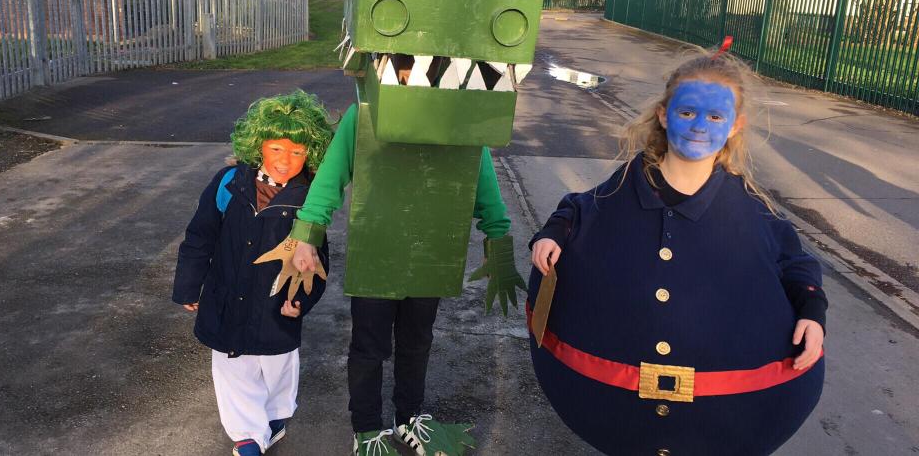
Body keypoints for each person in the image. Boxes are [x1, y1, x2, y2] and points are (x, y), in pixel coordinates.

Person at [527, 51, 827, 455]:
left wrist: (812, 312)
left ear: (736, 125)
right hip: (623, 420)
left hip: (713, 429)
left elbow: (795, 261)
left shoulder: (748, 208)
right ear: (664, 115)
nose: (700, 127)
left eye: (716, 117)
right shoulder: (623, 188)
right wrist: (553, 235)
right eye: (688, 113)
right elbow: (578, 208)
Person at [287, 101, 517, 456]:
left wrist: (497, 235)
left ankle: (409, 417)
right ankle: (366, 429)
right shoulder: (366, 112)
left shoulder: (463, 113)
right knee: (369, 347)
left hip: (431, 253)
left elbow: (481, 175)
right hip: (377, 250)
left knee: (417, 341)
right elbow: (332, 175)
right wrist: (307, 232)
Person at [172, 91, 334, 456]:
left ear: (311, 153)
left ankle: (275, 417)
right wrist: (189, 286)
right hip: (225, 295)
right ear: (258, 145)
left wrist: (302, 301)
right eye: (276, 149)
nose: (285, 160)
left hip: (277, 301)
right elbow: (200, 236)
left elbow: (317, 260)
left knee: (277, 364)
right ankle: (247, 434)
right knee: (233, 367)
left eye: (297, 152)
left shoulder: (310, 198)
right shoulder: (228, 182)